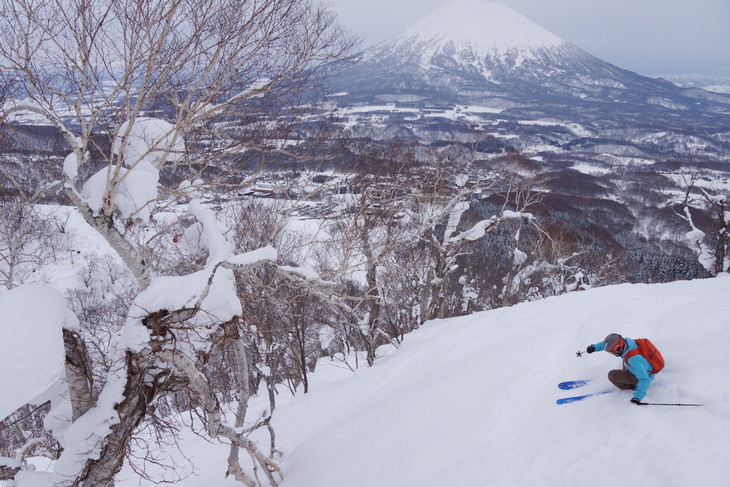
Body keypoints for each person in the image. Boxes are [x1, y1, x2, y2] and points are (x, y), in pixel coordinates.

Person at [585, 333, 662, 404]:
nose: (612, 354)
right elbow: (608, 343)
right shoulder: (627, 344)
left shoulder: (634, 360)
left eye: (612, 352)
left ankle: (630, 387)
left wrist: (638, 397)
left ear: (619, 349)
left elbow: (645, 379)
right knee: (626, 368)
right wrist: (594, 348)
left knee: (612, 375)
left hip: (642, 375)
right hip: (640, 368)